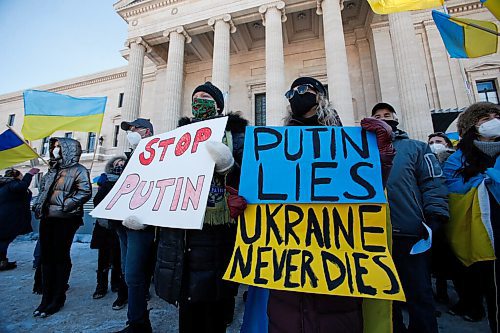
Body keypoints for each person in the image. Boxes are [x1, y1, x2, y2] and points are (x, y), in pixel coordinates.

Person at [266, 77, 396, 333]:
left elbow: (366, 194)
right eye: (291, 92)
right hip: (289, 262)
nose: (297, 95)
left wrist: (381, 158)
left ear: (321, 96)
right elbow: (267, 203)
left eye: (304, 90)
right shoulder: (277, 149)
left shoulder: (347, 144)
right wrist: (245, 207)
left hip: (336, 263)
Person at [154, 82, 248, 333]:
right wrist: (143, 212)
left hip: (219, 231)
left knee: (213, 303)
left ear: (218, 104)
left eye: (206, 97)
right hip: (182, 232)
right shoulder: (177, 139)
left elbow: (252, 181)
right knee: (188, 305)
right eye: (195, 98)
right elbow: (160, 180)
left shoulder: (239, 137)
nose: (199, 101)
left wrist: (230, 167)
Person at [372, 102, 449, 333]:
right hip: (375, 234)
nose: (383, 118)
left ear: (395, 118)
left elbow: (432, 182)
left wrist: (436, 213)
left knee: (419, 293)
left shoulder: (416, 148)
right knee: (385, 297)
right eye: (378, 115)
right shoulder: (362, 150)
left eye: (387, 114)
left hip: (409, 232)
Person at [443, 102, 499, 331]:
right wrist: (486, 182)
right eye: (485, 118)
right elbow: (452, 188)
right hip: (479, 231)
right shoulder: (457, 158)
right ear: (472, 126)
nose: (493, 120)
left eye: (496, 115)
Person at [32, 138, 91, 317]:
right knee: (46, 257)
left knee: (60, 256)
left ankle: (58, 297)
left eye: (59, 147)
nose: (56, 150)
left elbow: (85, 191)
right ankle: (46, 297)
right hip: (48, 217)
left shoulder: (79, 169)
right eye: (54, 147)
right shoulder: (53, 169)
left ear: (68, 149)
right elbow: (44, 191)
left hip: (66, 219)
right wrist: (38, 205)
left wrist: (65, 205)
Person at [114, 118, 157, 333]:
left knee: (133, 273)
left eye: (134, 129)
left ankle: (138, 322)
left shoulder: (158, 156)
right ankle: (137, 320)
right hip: (123, 222)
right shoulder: (130, 157)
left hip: (141, 224)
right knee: (127, 271)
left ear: (146, 131)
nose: (131, 132)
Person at [91, 156, 128, 310]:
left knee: (119, 257)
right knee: (103, 257)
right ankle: (101, 285)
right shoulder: (104, 181)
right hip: (104, 225)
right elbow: (98, 201)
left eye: (122, 164)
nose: (119, 166)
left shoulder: (127, 180)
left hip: (120, 225)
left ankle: (117, 284)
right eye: (116, 164)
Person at [427, 132, 456, 305]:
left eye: (438, 141)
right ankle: (440, 291)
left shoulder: (453, 160)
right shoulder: (424, 159)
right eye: (431, 142)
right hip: (433, 214)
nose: (435, 144)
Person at [0, 167, 39, 270]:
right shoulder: (12, 184)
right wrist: (29, 174)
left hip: (7, 216)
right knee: (4, 240)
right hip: (8, 218)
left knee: (4, 239)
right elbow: (22, 186)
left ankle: (3, 261)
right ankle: (1, 262)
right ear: (16, 176)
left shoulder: (6, 185)